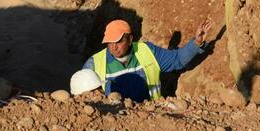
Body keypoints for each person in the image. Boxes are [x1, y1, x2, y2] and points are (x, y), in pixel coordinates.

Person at [82, 18, 211, 102]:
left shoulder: (147, 51)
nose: (114, 47)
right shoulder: (94, 64)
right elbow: (83, 98)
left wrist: (196, 43)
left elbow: (177, 60)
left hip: (152, 116)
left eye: (119, 41)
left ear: (131, 39)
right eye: (110, 42)